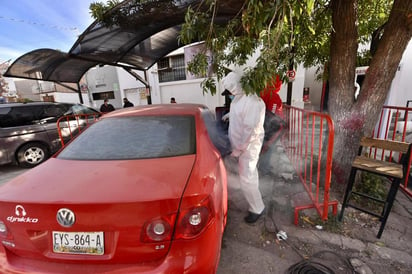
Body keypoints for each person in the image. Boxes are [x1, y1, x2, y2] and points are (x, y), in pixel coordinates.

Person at [222, 71, 266, 223]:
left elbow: (250, 131)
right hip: (240, 145)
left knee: (248, 178)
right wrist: (228, 116)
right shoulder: (238, 98)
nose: (229, 96)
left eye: (230, 92)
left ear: (237, 88)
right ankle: (252, 202)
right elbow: (238, 113)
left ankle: (257, 208)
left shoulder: (253, 102)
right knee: (246, 176)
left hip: (249, 147)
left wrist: (238, 149)